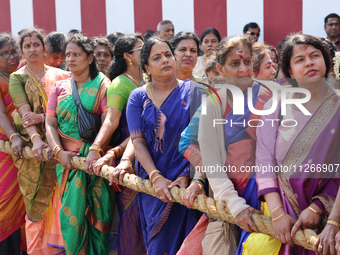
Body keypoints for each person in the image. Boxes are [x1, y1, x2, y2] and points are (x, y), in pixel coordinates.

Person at [256, 34, 340, 255]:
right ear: (290, 72)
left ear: (326, 62)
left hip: (330, 217)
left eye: (315, 56)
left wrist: (319, 207)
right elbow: (264, 161)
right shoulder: (276, 105)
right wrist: (277, 214)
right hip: (283, 211)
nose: (309, 62)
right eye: (300, 59)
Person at [198, 35, 282, 255]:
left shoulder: (271, 94)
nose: (243, 69)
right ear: (221, 68)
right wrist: (236, 206)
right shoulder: (213, 104)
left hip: (276, 196)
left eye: (247, 63)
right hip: (235, 197)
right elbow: (212, 162)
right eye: (234, 64)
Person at [126, 36, 198, 255]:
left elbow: (201, 140)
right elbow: (137, 141)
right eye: (157, 57)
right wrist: (156, 177)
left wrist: (187, 174)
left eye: (168, 54)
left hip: (188, 185)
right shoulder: (138, 97)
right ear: (147, 66)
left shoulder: (194, 92)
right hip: (154, 188)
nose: (165, 60)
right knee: (159, 247)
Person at [45, 34, 114, 255]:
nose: (71, 59)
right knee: (72, 224)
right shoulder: (58, 88)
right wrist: (58, 152)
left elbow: (108, 122)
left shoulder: (103, 84)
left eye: (77, 54)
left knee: (99, 222)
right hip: (67, 165)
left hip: (95, 163)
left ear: (90, 58)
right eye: (68, 55)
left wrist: (95, 150)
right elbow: (50, 123)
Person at [9, 28, 70, 254]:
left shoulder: (61, 76)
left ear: (45, 48)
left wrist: (44, 117)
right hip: (33, 150)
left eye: (36, 44)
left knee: (60, 201)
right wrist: (36, 140)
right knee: (35, 203)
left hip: (60, 143)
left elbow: (66, 111)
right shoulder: (18, 77)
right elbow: (24, 113)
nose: (32, 49)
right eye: (27, 46)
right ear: (22, 50)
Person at [93, 34, 146, 255]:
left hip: (154, 156)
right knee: (131, 220)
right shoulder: (119, 84)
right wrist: (97, 149)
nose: (146, 51)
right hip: (130, 157)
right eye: (141, 49)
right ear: (128, 56)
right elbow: (111, 121)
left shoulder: (150, 81)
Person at [0, 33, 26, 255]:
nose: (11, 56)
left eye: (13, 51)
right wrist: (14, 136)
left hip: (24, 151)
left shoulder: (19, 77)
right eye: (5, 53)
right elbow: (0, 114)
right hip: (5, 151)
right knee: (6, 201)